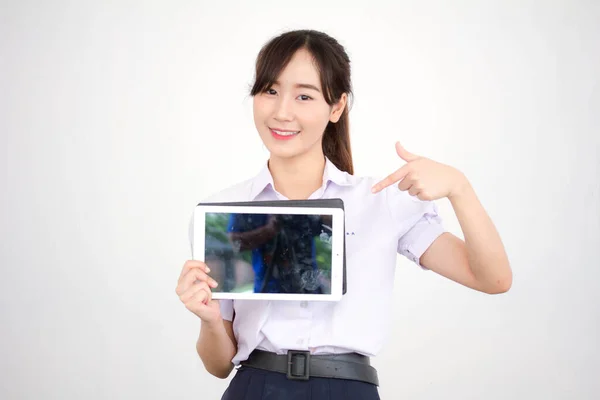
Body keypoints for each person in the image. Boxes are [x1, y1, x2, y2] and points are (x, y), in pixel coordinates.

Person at [175, 29, 512, 399]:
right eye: (270, 91)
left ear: (336, 107)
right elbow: (218, 365)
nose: (281, 111)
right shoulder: (225, 212)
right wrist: (208, 319)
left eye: (304, 96)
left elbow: (493, 279)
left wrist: (459, 188)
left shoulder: (380, 202)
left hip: (347, 390)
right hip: (255, 386)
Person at [226, 213, 329, 294]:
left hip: (307, 290)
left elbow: (332, 222)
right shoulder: (249, 199)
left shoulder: (305, 196)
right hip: (267, 290)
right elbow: (235, 242)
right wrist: (269, 230)